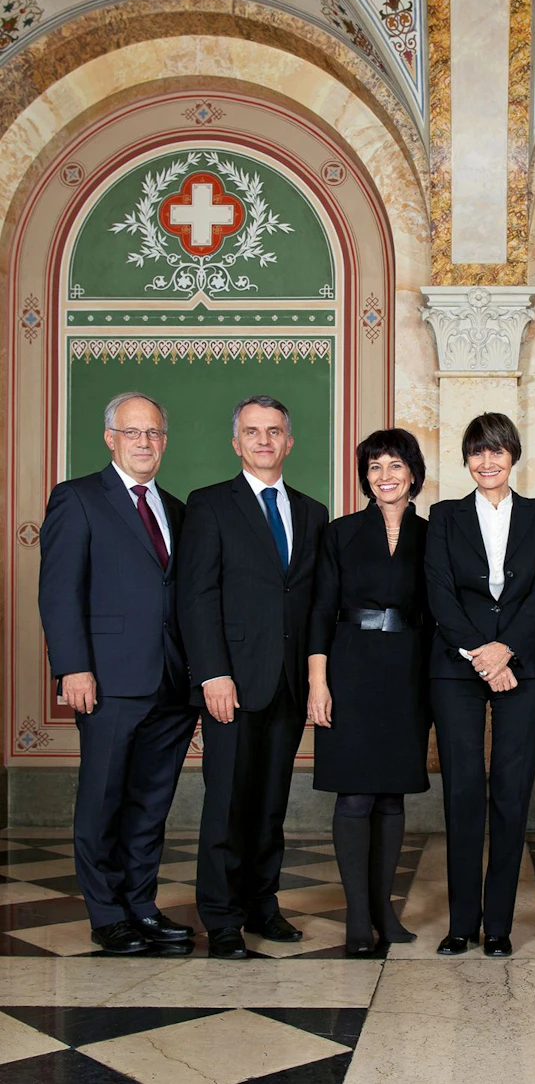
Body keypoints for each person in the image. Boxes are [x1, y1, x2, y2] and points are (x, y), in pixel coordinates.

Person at [37, 392, 197, 954]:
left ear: (165, 441)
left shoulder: (177, 509)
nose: (145, 443)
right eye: (134, 433)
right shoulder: (78, 498)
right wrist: (73, 668)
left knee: (151, 804)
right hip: (106, 680)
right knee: (102, 800)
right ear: (110, 439)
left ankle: (141, 906)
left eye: (154, 433)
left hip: (172, 685)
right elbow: (59, 593)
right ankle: (106, 914)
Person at [178, 395, 328, 960]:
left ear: (289, 442)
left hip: (287, 684)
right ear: (236, 443)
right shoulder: (210, 505)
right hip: (232, 684)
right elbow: (197, 597)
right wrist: (212, 673)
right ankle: (220, 917)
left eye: (274, 431)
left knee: (270, 803)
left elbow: (312, 603)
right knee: (226, 804)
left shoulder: (313, 513)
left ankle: (262, 905)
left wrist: (316, 679)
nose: (264, 440)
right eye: (252, 431)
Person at [425, 412, 535, 958]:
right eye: (478, 452)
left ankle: (499, 926)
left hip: (524, 662)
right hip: (458, 664)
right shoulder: (444, 516)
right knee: (461, 791)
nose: (488, 461)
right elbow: (439, 592)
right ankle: (462, 924)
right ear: (466, 460)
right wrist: (483, 655)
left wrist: (509, 649)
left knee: (511, 791)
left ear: (513, 456)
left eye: (498, 450)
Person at [307, 429, 430, 957]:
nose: (385, 475)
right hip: (350, 666)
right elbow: (319, 610)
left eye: (395, 465)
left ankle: (385, 911)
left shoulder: (435, 534)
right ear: (365, 477)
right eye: (375, 466)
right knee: (355, 794)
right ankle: (358, 915)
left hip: (409, 669)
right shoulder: (340, 533)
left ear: (413, 473)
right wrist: (318, 681)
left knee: (392, 795)